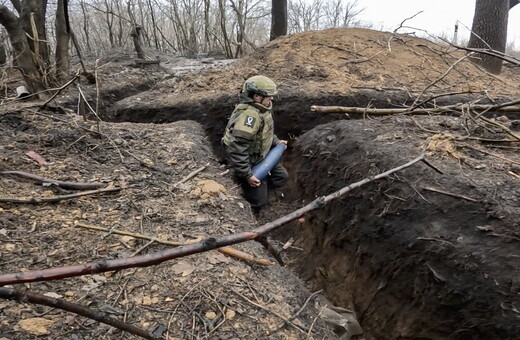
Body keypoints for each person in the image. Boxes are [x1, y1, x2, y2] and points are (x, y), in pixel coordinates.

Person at [222, 75, 288, 214]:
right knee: (258, 201)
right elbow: (237, 149)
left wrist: (276, 142)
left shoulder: (262, 109)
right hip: (247, 159)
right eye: (269, 96)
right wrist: (247, 174)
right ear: (257, 97)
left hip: (260, 154)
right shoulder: (249, 117)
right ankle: (253, 208)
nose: (272, 99)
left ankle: (263, 190)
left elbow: (264, 132)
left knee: (281, 176)